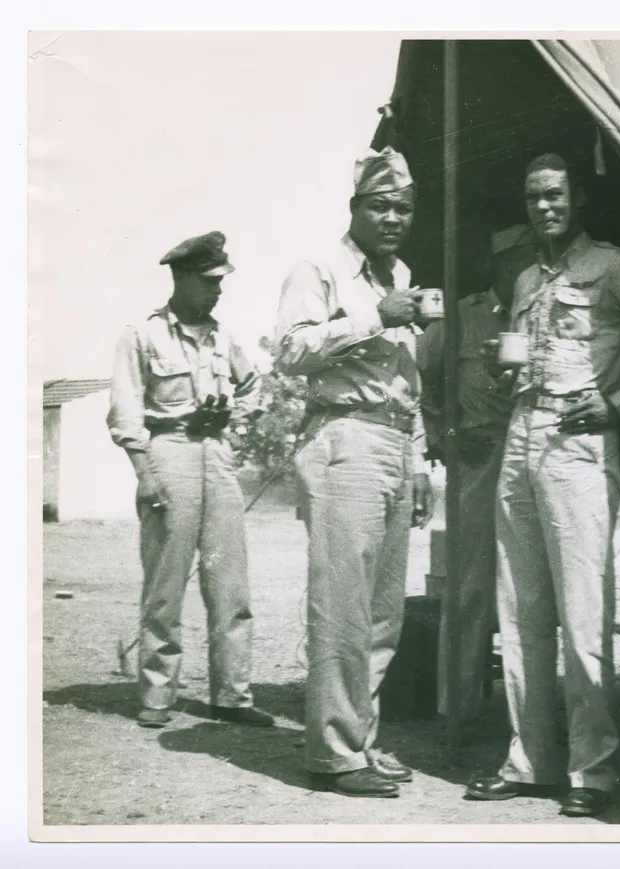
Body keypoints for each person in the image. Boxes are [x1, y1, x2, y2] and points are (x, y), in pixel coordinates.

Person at [464, 153, 620, 817]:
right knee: (522, 608)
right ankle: (531, 758)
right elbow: (520, 360)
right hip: (522, 435)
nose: (546, 207)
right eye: (535, 196)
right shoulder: (525, 277)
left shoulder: (616, 267)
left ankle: (592, 770)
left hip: (579, 443)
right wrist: (501, 363)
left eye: (557, 195)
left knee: (582, 612)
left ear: (579, 200)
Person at [274, 146, 435, 798]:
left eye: (403, 207)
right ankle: (334, 753)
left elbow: (407, 376)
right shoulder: (321, 270)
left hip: (394, 441)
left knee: (381, 611)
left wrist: (419, 455)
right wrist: (375, 316)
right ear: (354, 208)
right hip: (343, 439)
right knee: (342, 606)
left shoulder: (401, 273)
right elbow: (290, 349)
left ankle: (359, 740)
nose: (393, 216)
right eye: (380, 205)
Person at [108, 231, 274, 730]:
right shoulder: (141, 334)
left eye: (220, 281)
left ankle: (233, 695)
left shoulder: (223, 338)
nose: (216, 291)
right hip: (168, 453)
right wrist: (144, 473)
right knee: (165, 583)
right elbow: (126, 409)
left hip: (216, 455)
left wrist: (237, 424)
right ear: (180, 278)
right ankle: (158, 696)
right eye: (207, 281)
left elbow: (253, 385)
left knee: (230, 584)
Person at [417, 223, 537, 732]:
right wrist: (443, 437)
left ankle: (526, 715)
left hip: (534, 459)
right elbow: (416, 377)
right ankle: (458, 709)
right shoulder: (463, 317)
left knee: (529, 594)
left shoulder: (543, 316)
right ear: (504, 265)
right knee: (468, 591)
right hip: (479, 461)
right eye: (524, 262)